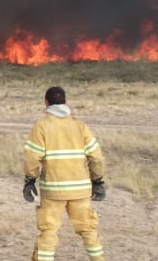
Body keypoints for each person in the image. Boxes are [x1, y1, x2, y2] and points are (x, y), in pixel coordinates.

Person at [23, 86, 105, 261]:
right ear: (65, 102)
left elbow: (31, 158)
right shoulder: (80, 126)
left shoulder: (42, 126)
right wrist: (97, 181)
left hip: (53, 191)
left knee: (49, 232)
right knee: (89, 230)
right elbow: (96, 157)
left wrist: (29, 180)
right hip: (80, 190)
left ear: (46, 103)